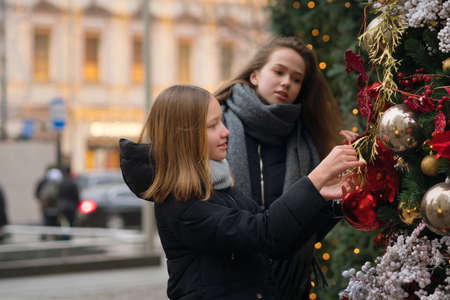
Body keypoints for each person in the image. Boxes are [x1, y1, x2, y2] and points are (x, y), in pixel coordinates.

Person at [119, 85, 363, 300]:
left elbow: (279, 242)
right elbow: (266, 232)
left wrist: (326, 198)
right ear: (184, 136)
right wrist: (316, 178)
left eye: (221, 122)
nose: (226, 132)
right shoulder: (181, 204)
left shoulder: (217, 189)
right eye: (213, 125)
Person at [214, 36, 355, 299]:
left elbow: (308, 228)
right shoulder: (216, 126)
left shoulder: (307, 140)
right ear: (254, 75)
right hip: (226, 280)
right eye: (278, 71)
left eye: (296, 79)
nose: (286, 82)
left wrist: (336, 200)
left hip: (286, 285)